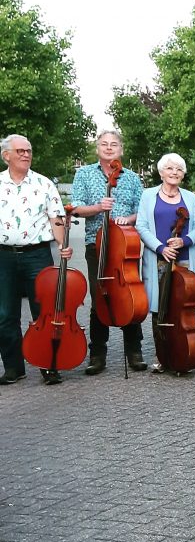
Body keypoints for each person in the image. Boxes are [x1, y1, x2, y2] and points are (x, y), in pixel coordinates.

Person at [72, 130, 146, 374]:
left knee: (130, 294)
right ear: (97, 149)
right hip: (97, 244)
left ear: (121, 150)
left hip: (126, 244)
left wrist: (129, 218)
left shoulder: (133, 178)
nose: (109, 147)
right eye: (104, 144)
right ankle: (98, 354)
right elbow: (75, 208)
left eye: (114, 144)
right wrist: (97, 207)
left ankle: (134, 351)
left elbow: (141, 210)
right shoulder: (83, 174)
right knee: (99, 296)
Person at [0, 134, 67, 385]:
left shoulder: (44, 184)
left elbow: (56, 218)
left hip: (37, 254)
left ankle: (48, 365)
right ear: (6, 155)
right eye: (20, 151)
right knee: (5, 313)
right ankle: (14, 368)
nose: (26, 154)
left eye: (28, 150)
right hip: (3, 256)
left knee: (44, 312)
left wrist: (62, 245)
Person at [134, 153, 195, 373]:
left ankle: (183, 350)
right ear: (161, 172)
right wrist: (161, 247)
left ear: (183, 174)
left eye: (179, 169)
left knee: (183, 305)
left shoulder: (190, 197)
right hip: (158, 258)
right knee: (160, 307)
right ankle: (162, 354)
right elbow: (141, 225)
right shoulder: (148, 195)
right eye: (170, 168)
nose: (174, 173)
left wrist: (183, 240)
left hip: (184, 257)